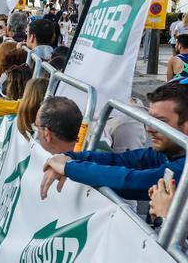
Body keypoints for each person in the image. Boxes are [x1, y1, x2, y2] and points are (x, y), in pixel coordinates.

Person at [41, 82, 188, 200]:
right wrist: (71, 157)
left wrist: (68, 168)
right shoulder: (171, 150)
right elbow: (119, 160)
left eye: (160, 122)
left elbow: (133, 182)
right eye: (150, 120)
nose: (149, 129)